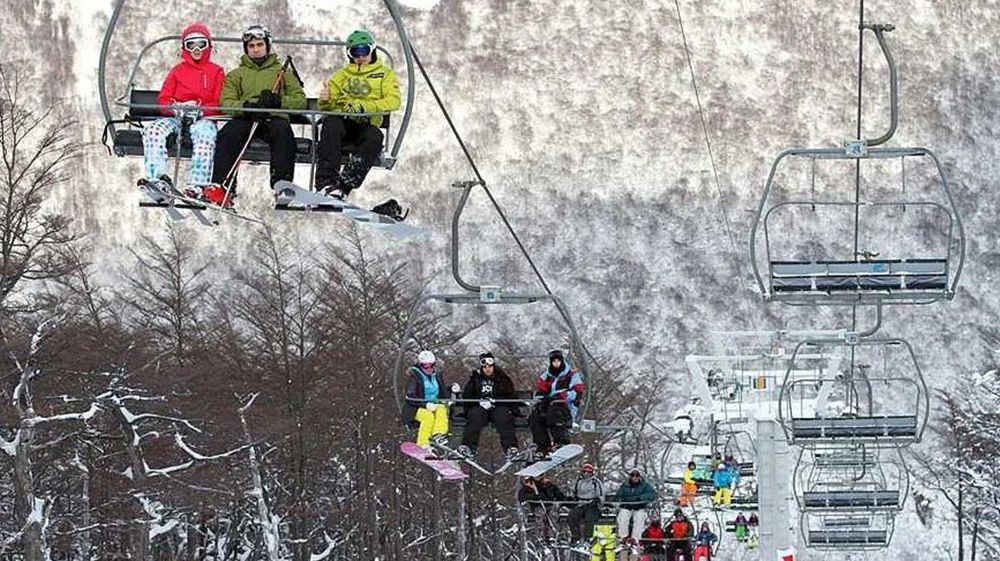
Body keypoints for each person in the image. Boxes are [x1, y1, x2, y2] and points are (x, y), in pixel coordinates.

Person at [211, 24, 306, 203]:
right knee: (228, 134)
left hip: (273, 118)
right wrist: (247, 107)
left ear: (267, 46)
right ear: (246, 49)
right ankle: (222, 186)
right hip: (247, 118)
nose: (256, 50)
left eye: (259, 45)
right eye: (251, 46)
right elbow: (226, 102)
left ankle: (282, 185)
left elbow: (300, 100)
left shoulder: (283, 73)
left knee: (283, 133)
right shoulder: (237, 74)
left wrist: (277, 102)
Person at [139, 23, 225, 199]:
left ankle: (198, 184)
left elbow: (220, 102)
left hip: (202, 118)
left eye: (201, 44)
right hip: (177, 117)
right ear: (184, 48)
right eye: (190, 45)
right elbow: (163, 100)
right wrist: (175, 108)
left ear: (208, 46)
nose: (196, 49)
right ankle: (155, 179)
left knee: (206, 134)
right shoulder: (177, 71)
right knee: (153, 130)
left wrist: (202, 111)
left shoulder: (216, 71)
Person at [314, 29, 401, 200]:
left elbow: (393, 101)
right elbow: (327, 107)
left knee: (375, 137)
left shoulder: (385, 75)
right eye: (355, 52)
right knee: (331, 123)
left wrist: (365, 107)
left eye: (364, 51)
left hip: (366, 123)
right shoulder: (342, 75)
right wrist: (325, 99)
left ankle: (345, 184)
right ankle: (326, 183)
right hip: (343, 121)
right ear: (349, 54)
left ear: (372, 50)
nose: (360, 56)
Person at [457, 351, 519, 461]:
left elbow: (511, 396)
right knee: (475, 415)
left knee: (504, 416)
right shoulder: (475, 379)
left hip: (498, 406)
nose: (488, 369)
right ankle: (468, 447)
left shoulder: (502, 379)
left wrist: (495, 401)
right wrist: (479, 401)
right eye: (485, 367)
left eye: (490, 366)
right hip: (480, 407)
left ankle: (511, 447)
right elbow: (467, 396)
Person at [529, 349, 585, 458]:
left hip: (565, 408)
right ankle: (542, 446)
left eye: (558, 361)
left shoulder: (571, 376)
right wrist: (541, 401)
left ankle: (561, 441)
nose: (556, 364)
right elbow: (540, 392)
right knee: (535, 416)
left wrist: (562, 396)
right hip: (550, 406)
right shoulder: (546, 377)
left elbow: (578, 392)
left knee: (554, 410)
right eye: (554, 362)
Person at [403, 350, 450, 447]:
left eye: (431, 366)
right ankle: (423, 443)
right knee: (428, 417)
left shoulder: (436, 377)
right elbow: (411, 396)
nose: (429, 368)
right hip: (416, 408)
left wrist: (451, 391)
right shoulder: (415, 377)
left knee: (442, 409)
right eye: (425, 366)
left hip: (434, 405)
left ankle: (438, 435)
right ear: (420, 365)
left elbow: (443, 393)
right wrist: (426, 405)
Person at [614, 469, 658, 547]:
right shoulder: (625, 485)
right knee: (622, 517)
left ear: (639, 477)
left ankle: (635, 538)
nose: (634, 478)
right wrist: (623, 500)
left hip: (639, 507)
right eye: (632, 476)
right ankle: (623, 537)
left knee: (640, 518)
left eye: (636, 476)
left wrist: (640, 498)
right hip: (627, 506)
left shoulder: (644, 485)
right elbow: (618, 496)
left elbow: (653, 494)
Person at [567, 463, 605, 547]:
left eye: (589, 472)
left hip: (592, 504)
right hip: (580, 503)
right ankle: (576, 536)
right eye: (585, 472)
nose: (586, 474)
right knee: (572, 516)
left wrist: (597, 501)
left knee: (590, 517)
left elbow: (601, 494)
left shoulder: (596, 482)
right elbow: (572, 492)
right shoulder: (578, 481)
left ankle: (588, 537)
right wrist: (571, 499)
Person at [517, 475, 565, 540]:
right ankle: (541, 535)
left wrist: (548, 485)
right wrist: (534, 495)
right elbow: (522, 497)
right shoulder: (527, 488)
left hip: (548, 504)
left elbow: (555, 495)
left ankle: (552, 535)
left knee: (552, 514)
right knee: (541, 514)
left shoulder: (544, 485)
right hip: (537, 506)